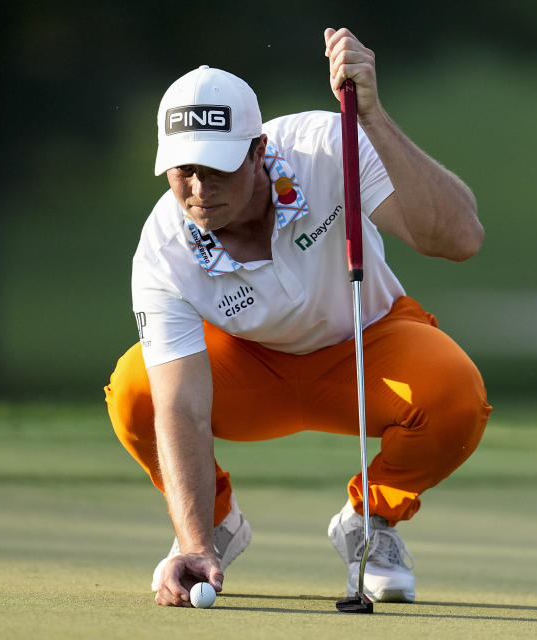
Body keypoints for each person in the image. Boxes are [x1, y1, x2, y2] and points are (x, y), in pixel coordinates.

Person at [104, 28, 492, 608]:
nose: (198, 189)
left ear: (259, 151)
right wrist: (192, 539)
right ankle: (216, 530)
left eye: (216, 168)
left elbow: (460, 238)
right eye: (182, 170)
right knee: (136, 392)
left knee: (453, 393)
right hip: (248, 366)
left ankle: (370, 521)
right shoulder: (162, 249)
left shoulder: (328, 146)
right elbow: (181, 404)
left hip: (366, 348)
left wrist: (374, 120)